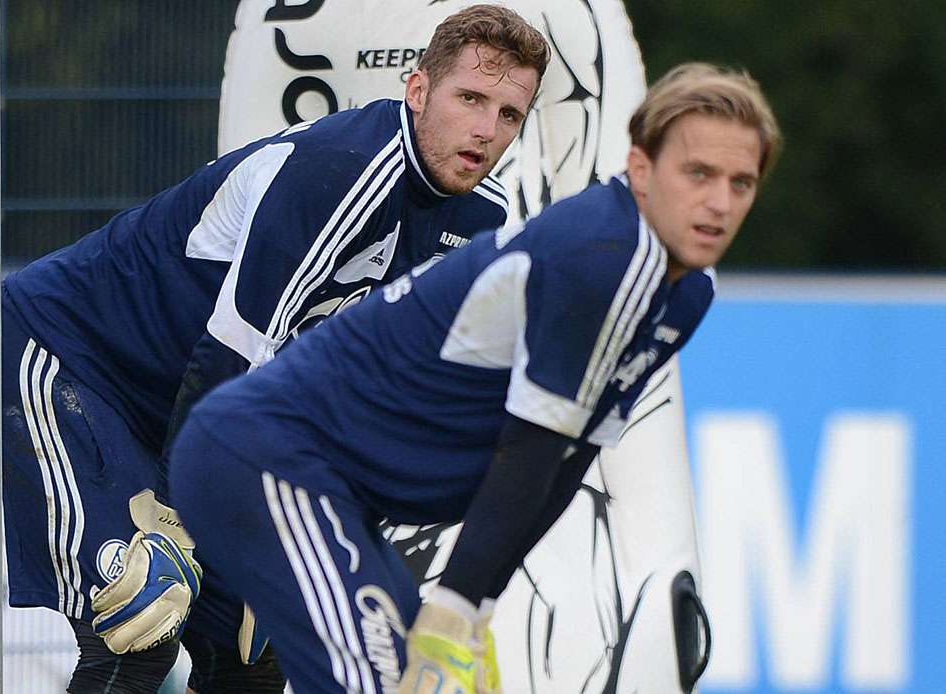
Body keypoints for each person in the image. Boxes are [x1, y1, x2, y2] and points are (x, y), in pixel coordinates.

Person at [166, 62, 781, 693]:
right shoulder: (604, 256)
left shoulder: (684, 292)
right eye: (699, 173)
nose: (719, 202)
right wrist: (453, 613)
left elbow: (567, 463)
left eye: (742, 182)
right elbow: (530, 455)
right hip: (267, 461)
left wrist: (473, 610)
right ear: (643, 169)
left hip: (334, 491)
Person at [0, 5, 549, 692]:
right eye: (469, 98)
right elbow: (236, 352)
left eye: (508, 114)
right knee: (142, 616)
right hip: (71, 358)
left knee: (257, 647)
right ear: (417, 91)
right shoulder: (344, 169)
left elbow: (376, 399)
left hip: (191, 408)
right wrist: (177, 521)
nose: (485, 129)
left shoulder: (483, 220)